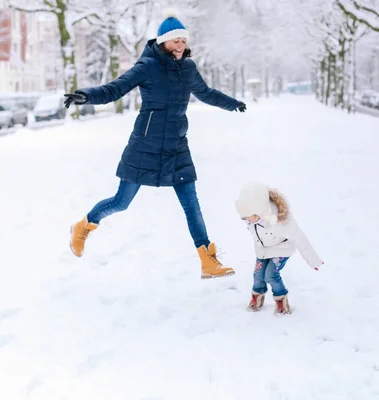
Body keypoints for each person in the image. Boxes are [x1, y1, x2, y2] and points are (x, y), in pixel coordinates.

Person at [63, 10, 247, 279]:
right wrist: (85, 96)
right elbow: (116, 88)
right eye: (175, 41)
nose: (180, 46)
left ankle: (207, 260)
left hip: (176, 145)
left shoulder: (188, 68)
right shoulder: (147, 66)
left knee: (191, 204)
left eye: (183, 41)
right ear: (163, 42)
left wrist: (233, 104)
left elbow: (205, 93)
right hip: (145, 144)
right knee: (121, 201)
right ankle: (84, 226)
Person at [235, 182, 323, 315]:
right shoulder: (251, 217)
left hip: (282, 248)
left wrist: (313, 261)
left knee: (271, 275)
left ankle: (281, 299)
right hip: (263, 249)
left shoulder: (282, 222)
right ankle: (257, 295)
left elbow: (301, 240)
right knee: (258, 275)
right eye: (244, 217)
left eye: (248, 216)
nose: (246, 219)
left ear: (260, 211)